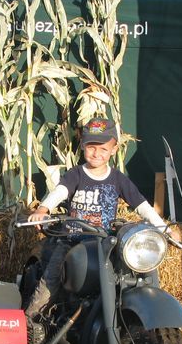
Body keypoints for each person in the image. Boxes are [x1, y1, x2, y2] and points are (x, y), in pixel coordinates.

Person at [24, 118, 169, 323]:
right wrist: (43, 208)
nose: (96, 153)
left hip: (103, 244)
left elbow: (142, 205)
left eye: (103, 148)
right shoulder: (76, 174)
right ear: (83, 145)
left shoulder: (118, 179)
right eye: (91, 147)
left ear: (114, 149)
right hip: (71, 241)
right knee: (51, 279)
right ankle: (30, 321)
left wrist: (164, 229)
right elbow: (60, 191)